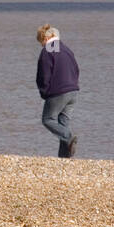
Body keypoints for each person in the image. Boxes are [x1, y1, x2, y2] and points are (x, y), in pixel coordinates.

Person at [35, 24, 79, 157]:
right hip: (73, 91)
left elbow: (44, 74)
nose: (42, 45)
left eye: (42, 41)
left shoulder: (48, 49)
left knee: (48, 119)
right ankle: (64, 157)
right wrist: (73, 85)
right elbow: (76, 69)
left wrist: (44, 92)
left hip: (58, 92)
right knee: (63, 123)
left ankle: (69, 137)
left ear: (48, 37)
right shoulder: (67, 49)